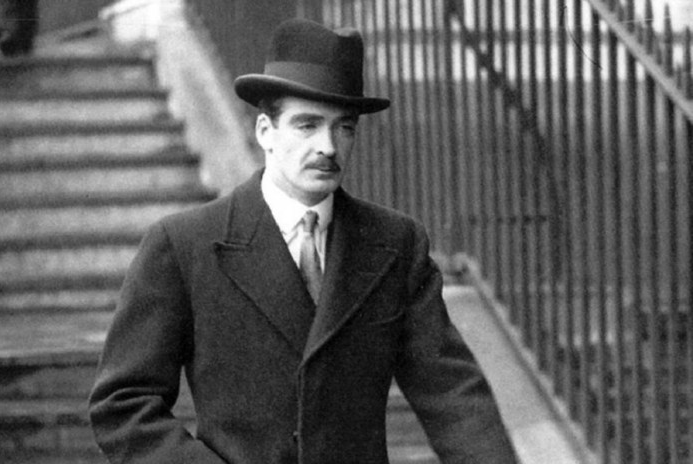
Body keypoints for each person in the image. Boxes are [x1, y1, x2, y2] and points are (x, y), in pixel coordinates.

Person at [89, 18, 518, 464]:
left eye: (344, 127)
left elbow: (453, 396)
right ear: (265, 132)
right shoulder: (186, 245)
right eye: (307, 125)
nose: (328, 147)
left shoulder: (394, 245)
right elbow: (123, 405)